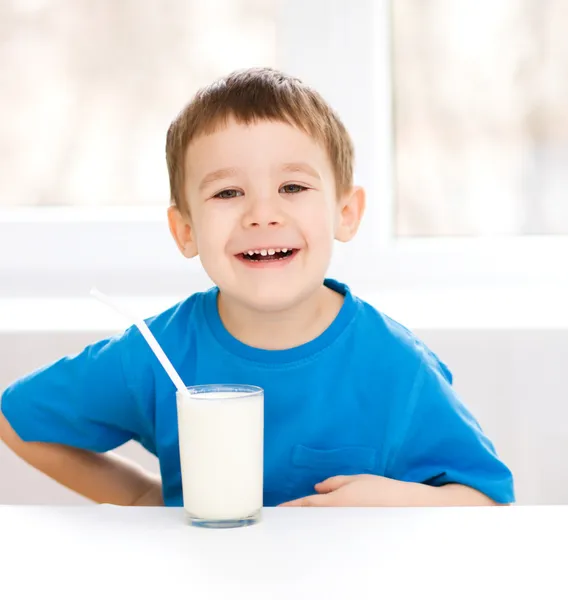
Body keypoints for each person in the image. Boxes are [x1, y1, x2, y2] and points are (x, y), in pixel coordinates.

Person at [0, 68, 514, 508]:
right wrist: (143, 501)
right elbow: (16, 420)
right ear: (185, 231)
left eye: (292, 187)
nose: (262, 214)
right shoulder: (157, 355)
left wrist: (397, 501)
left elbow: (490, 501)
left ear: (345, 212)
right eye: (228, 192)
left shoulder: (395, 365)